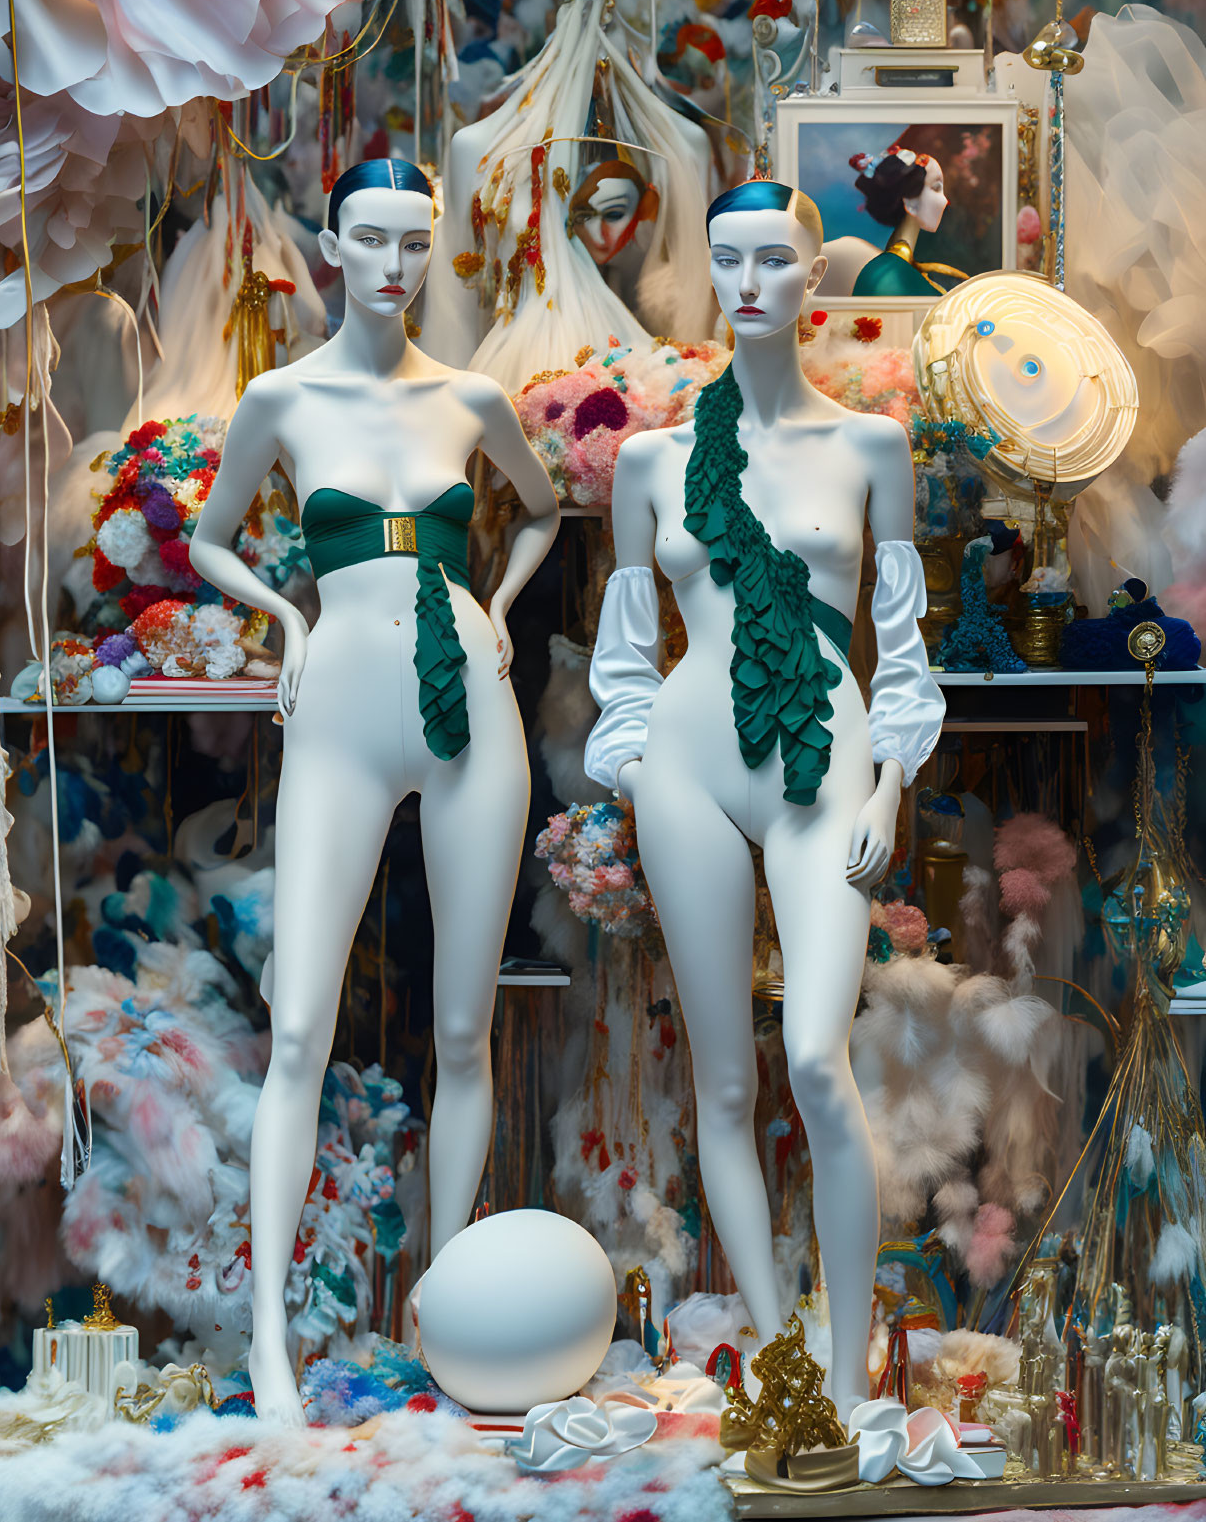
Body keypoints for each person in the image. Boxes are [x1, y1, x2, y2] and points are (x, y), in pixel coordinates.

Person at [190, 157, 559, 1422]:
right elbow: (207, 535)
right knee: (299, 1029)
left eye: (415, 242)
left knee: (465, 1031)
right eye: (370, 240)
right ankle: (272, 1347)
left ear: (434, 246)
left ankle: (448, 1315)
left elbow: (545, 509)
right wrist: (285, 622)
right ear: (332, 247)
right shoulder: (280, 397)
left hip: (471, 708)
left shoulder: (471, 394)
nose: (394, 266)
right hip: (339, 706)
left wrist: (499, 608)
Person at [585, 178, 944, 1418]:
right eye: (726, 260)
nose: (749, 283)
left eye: (775, 260)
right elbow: (625, 656)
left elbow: (900, 649)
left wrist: (890, 786)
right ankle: (784, 1354)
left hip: (828, 761)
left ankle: (847, 1381)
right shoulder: (650, 460)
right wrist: (634, 764)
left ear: (810, 278)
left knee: (813, 1055)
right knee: (724, 1083)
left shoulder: (869, 446)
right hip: (686, 762)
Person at [850, 145, 963, 297]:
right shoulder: (890, 275)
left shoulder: (900, 268)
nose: (945, 201)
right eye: (936, 188)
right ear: (910, 202)